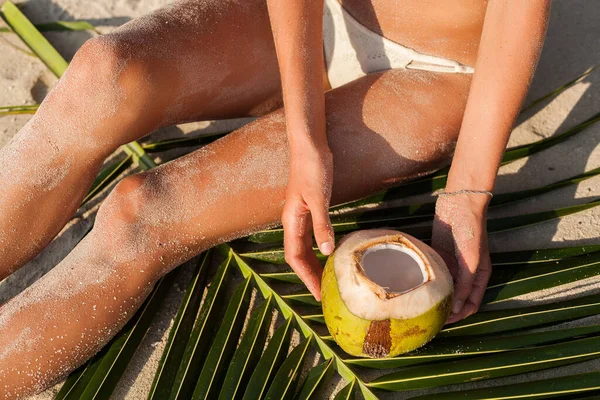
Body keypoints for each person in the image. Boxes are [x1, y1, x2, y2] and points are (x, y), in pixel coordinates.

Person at [0, 0, 550, 397]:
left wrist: (467, 194)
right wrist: (305, 137)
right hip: (312, 13)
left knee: (144, 216)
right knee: (104, 76)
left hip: (438, 72)